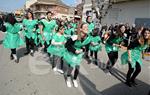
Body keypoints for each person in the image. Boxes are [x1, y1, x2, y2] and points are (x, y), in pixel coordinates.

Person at [63, 23, 91, 88]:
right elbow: (67, 45)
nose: (86, 28)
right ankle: (68, 78)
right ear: (80, 29)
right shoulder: (75, 37)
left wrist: (82, 50)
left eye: (87, 27)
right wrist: (74, 50)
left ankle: (74, 79)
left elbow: (86, 48)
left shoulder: (88, 38)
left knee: (77, 67)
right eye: (84, 27)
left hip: (79, 54)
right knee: (71, 67)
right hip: (71, 53)